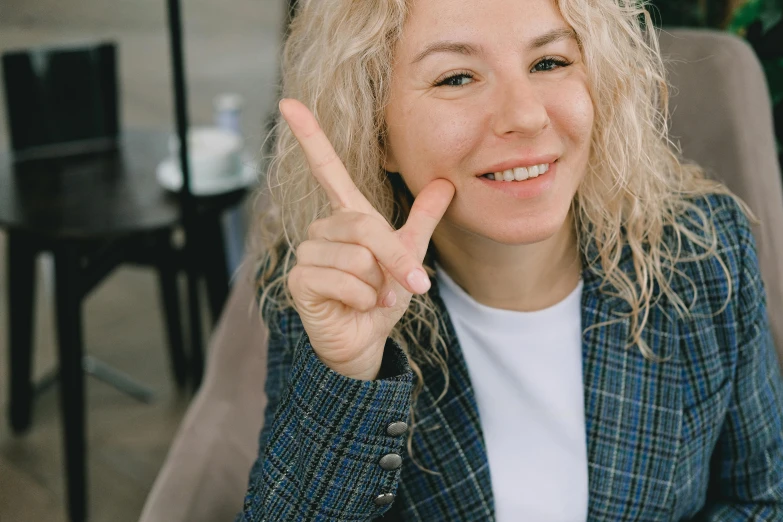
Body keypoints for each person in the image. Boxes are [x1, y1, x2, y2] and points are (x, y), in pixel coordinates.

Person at [238, 0, 783, 520]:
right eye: (456, 77)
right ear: (376, 132)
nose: (524, 116)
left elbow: (764, 498)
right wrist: (346, 375)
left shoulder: (705, 249)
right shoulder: (332, 290)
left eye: (550, 62)